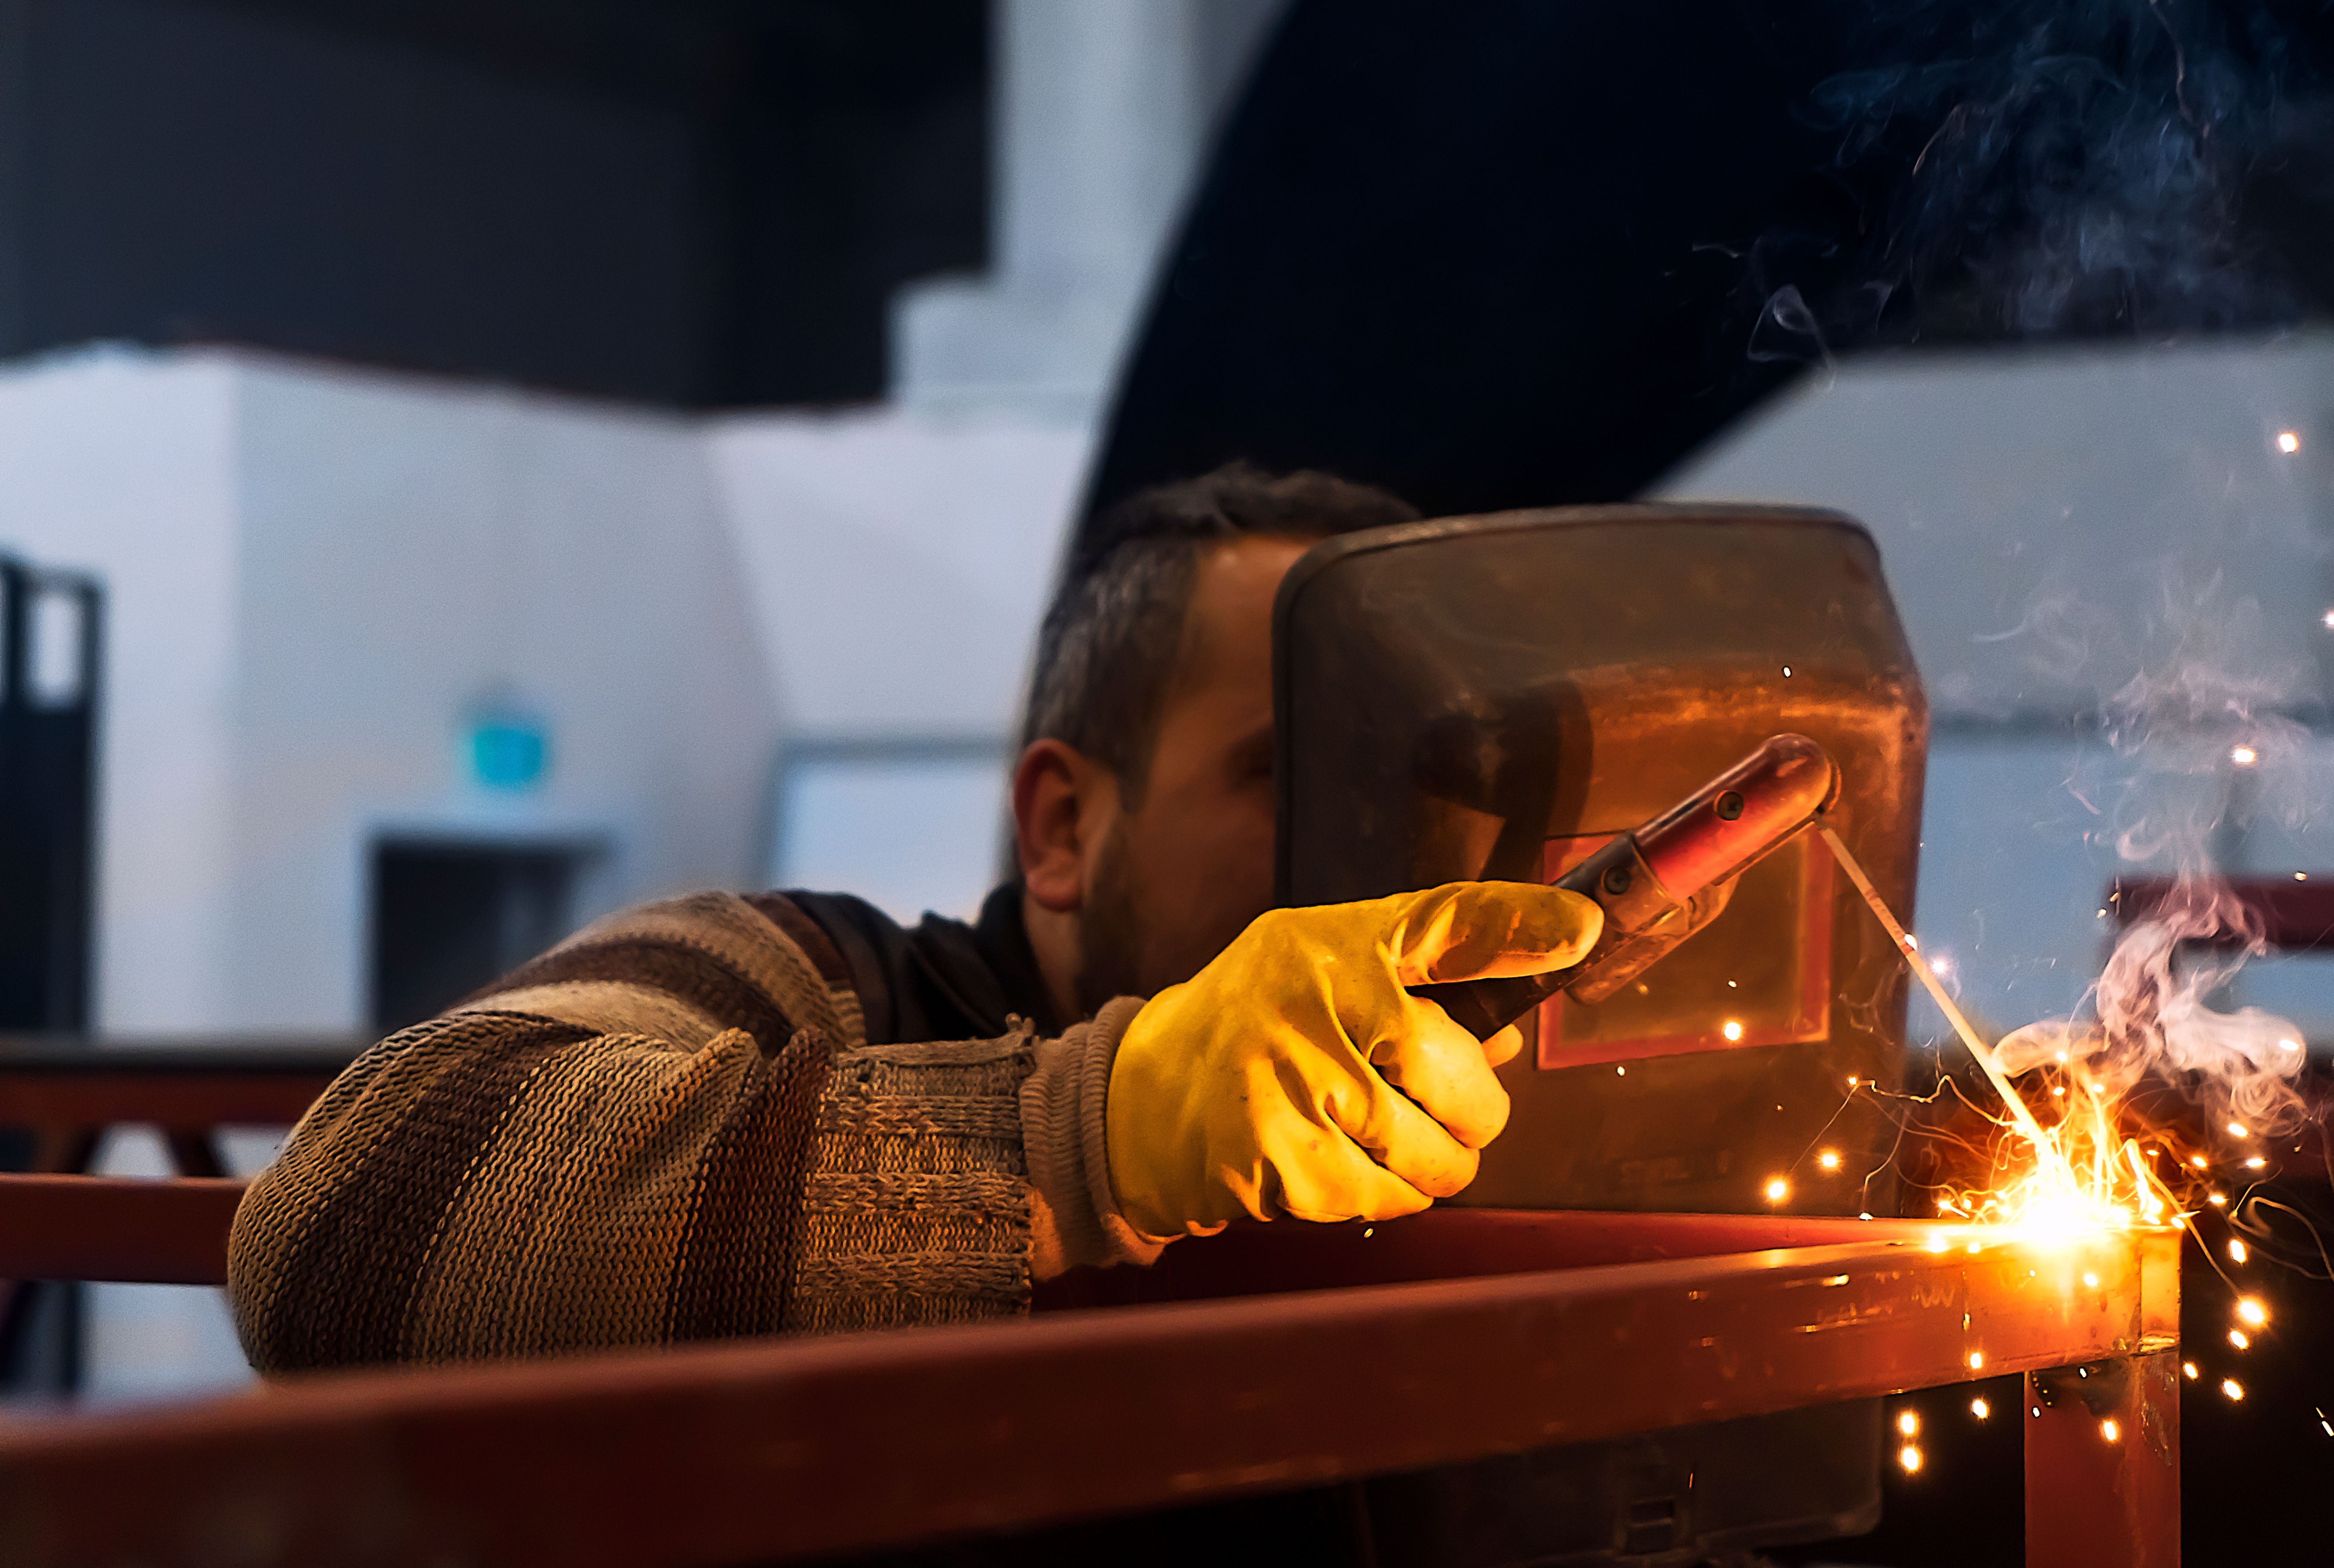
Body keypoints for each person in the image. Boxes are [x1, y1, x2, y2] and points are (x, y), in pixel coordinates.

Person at [227, 465, 1600, 1371]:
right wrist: (1102, 1133)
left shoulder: (1481, 1112)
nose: (1392, 850)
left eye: (1428, 784)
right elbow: (343, 1220)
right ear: (1063, 827)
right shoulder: (814, 987)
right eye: (1286, 775)